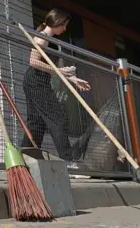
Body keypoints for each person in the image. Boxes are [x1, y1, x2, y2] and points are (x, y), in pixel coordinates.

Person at [21, 9, 91, 168]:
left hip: (37, 81)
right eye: (64, 25)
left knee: (36, 123)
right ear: (57, 22)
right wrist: (60, 71)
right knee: (57, 119)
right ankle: (67, 160)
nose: (65, 29)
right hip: (36, 82)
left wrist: (73, 79)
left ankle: (25, 158)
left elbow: (51, 68)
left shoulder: (50, 40)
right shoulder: (42, 38)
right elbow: (33, 62)